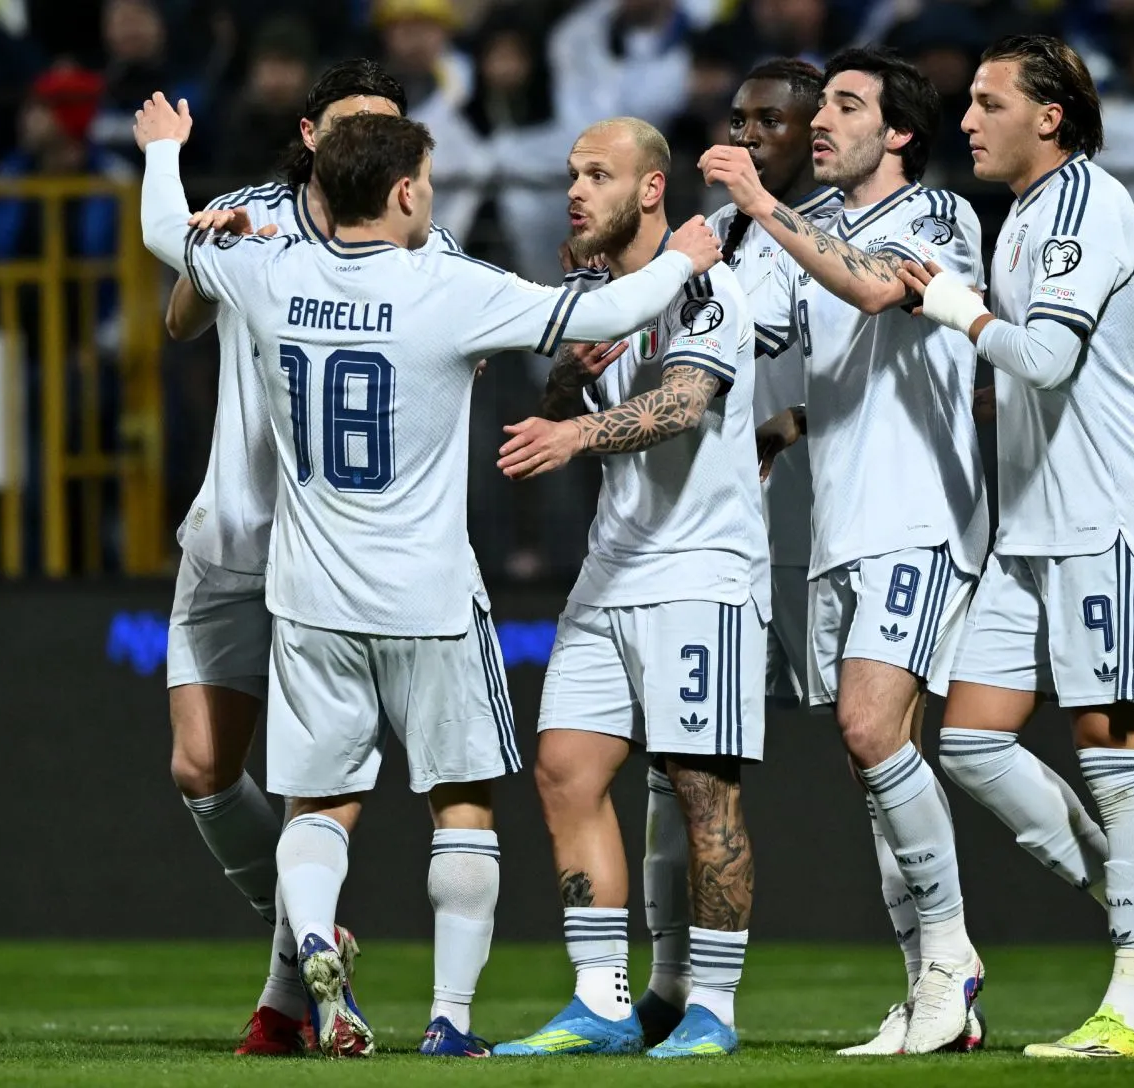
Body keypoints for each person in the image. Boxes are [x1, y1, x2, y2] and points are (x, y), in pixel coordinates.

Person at [138, 97, 722, 1057]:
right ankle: (450, 1020)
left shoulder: (268, 269)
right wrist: (685, 260)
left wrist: (165, 153)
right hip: (430, 600)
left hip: (310, 599)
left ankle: (318, 941)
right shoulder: (447, 286)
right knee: (461, 802)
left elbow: (167, 233)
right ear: (406, 191)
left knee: (319, 805)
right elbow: (614, 307)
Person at [895, 34, 1134, 1060]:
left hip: (1113, 519)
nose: (969, 120)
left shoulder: (1086, 204)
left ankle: (1132, 1003)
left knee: (1114, 746)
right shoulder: (1026, 214)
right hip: (1034, 523)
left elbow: (1041, 356)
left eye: (988, 103)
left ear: (1052, 117)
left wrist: (945, 300)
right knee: (975, 737)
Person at [149, 60, 473, 1059]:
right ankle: (302, 927)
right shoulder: (249, 212)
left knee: (307, 786)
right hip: (228, 527)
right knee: (201, 766)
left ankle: (289, 991)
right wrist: (215, 265)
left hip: (326, 554)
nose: (363, 149)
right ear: (307, 135)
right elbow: (178, 316)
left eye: (384, 131)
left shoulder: (424, 239)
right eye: (346, 130)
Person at [699, 45, 989, 1056]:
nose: (820, 124)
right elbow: (759, 334)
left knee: (872, 729)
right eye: (818, 109)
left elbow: (877, 292)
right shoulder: (801, 228)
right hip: (838, 528)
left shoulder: (941, 215)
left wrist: (762, 211)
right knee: (877, 767)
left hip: (921, 515)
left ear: (899, 133)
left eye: (846, 109)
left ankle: (952, 955)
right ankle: (928, 996)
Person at [490, 117, 763, 1061]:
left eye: (598, 175)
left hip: (701, 572)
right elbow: (570, 393)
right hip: (613, 568)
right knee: (565, 768)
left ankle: (713, 1009)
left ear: (652, 190)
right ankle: (602, 1002)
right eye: (571, 172)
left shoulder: (707, 292)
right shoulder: (598, 299)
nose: (576, 191)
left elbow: (684, 403)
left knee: (702, 790)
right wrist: (569, 381)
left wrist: (568, 437)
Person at [628, 56, 842, 1051]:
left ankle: (941, 963)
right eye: (740, 117)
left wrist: (785, 426)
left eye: (772, 120)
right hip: (723, 527)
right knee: (677, 763)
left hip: (820, 525)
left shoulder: (840, 232)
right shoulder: (722, 235)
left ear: (814, 134)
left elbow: (856, 371)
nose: (749, 135)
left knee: (885, 747)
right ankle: (671, 986)